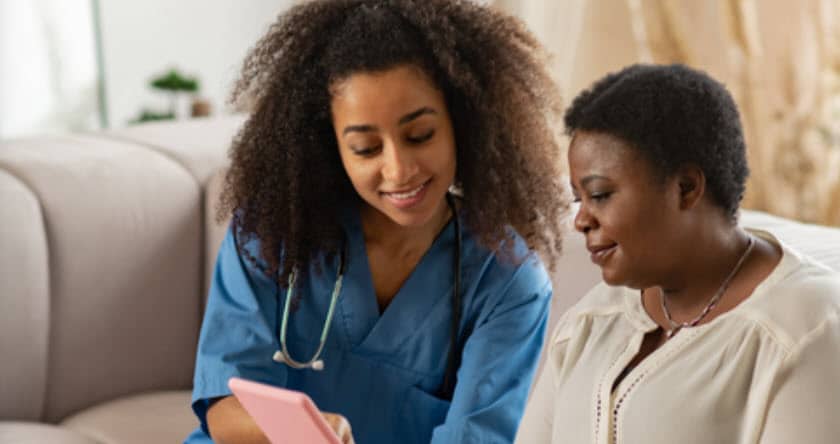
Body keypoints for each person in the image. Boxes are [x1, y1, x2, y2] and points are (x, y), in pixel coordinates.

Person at [185, 1, 570, 443]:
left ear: (463, 124)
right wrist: (313, 433)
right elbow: (225, 411)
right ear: (330, 147)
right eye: (367, 148)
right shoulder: (270, 235)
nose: (399, 169)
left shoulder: (508, 283)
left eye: (420, 135)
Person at [516, 64, 840, 444]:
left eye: (600, 195)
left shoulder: (806, 330)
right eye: (578, 199)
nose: (581, 220)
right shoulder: (592, 319)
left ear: (686, 187)